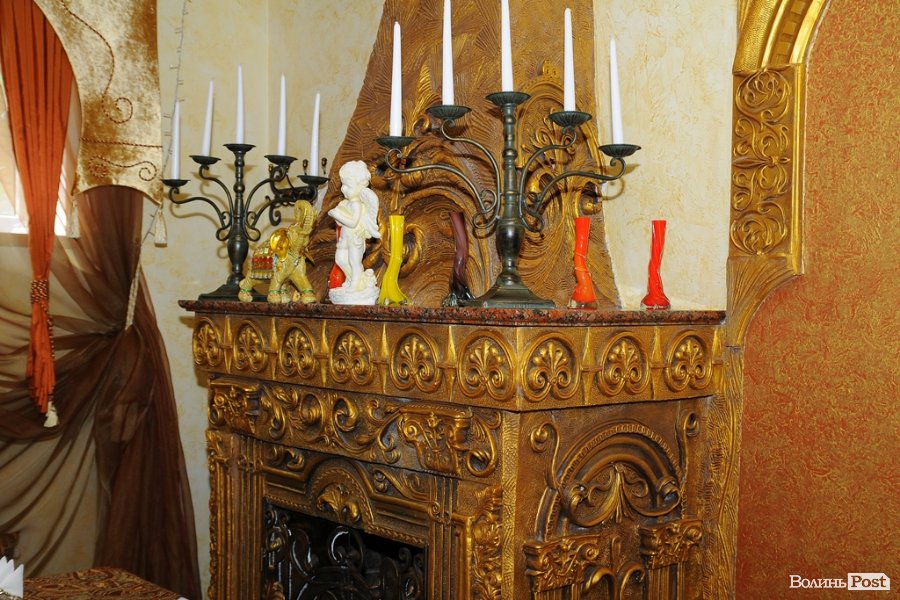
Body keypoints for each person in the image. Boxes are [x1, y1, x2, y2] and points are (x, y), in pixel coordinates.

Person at [327, 160, 381, 304]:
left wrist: (337, 214)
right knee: (340, 258)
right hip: (345, 238)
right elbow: (340, 223)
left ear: (360, 186)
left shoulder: (357, 205)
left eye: (348, 186)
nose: (343, 189)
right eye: (342, 185)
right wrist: (338, 216)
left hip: (355, 238)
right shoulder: (345, 203)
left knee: (354, 262)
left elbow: (352, 222)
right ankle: (352, 280)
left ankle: (355, 284)